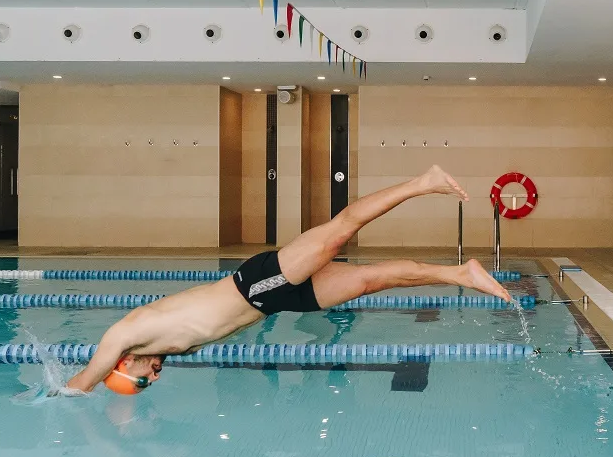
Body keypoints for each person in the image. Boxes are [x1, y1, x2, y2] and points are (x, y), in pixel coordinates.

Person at [66, 166, 512, 395]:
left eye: (142, 381)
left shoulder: (125, 335)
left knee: (339, 230)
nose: (154, 379)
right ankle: (460, 273)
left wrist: (55, 399)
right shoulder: (155, 347)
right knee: (373, 280)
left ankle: (422, 182)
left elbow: (83, 383)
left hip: (256, 284)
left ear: (123, 364)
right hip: (273, 301)